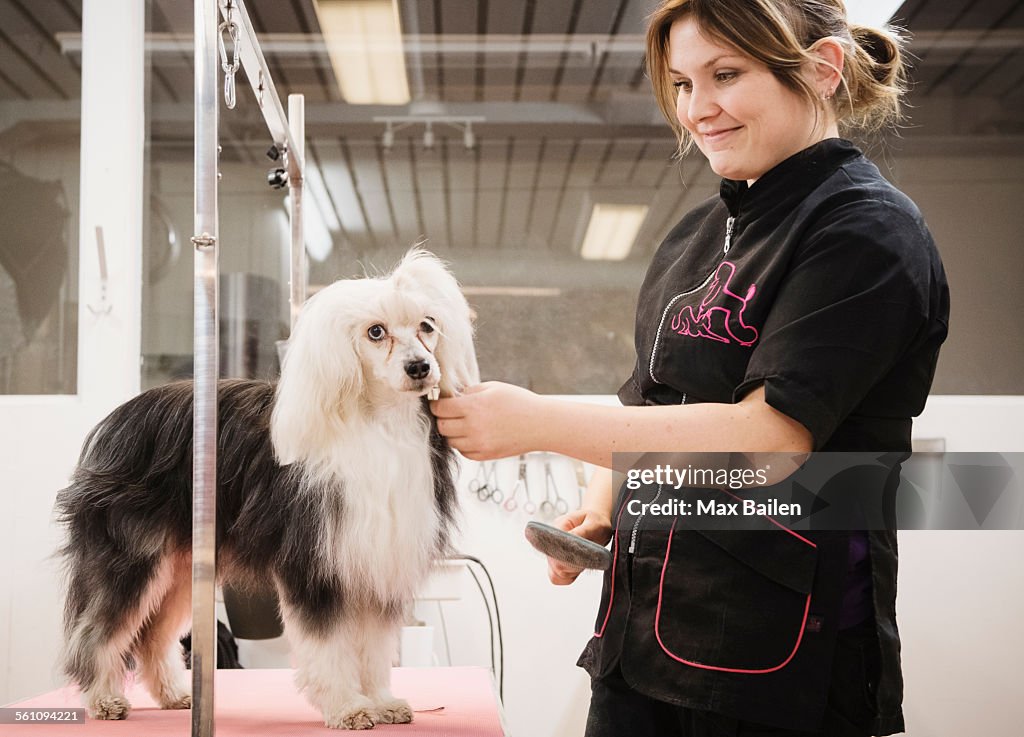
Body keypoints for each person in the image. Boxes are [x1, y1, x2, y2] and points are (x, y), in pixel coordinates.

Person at [431, 0, 950, 735]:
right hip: (641, 641)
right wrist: (604, 503)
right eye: (681, 84)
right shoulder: (694, 236)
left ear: (822, 69)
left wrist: (534, 422)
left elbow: (766, 441)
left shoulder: (866, 230)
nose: (698, 108)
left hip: (776, 661)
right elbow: (648, 403)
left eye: (726, 74)